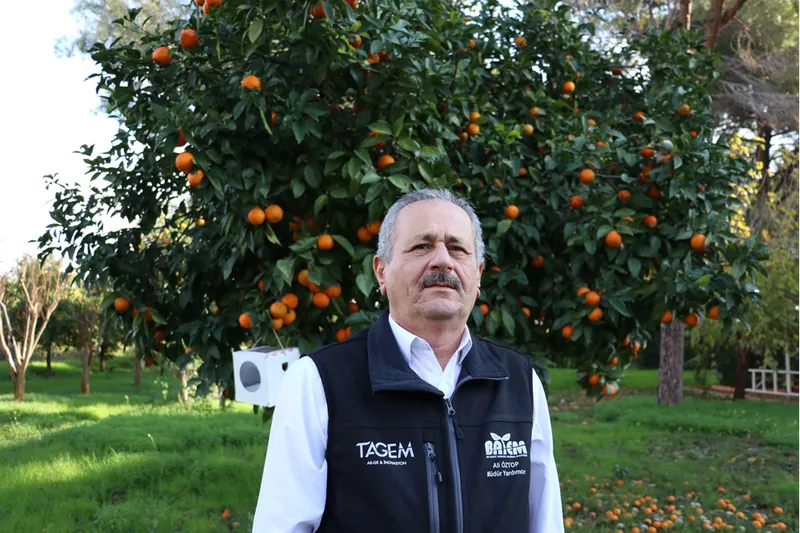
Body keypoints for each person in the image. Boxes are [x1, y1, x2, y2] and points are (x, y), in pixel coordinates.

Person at [252, 188, 564, 533]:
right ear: (381, 271)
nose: (443, 260)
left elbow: (545, 520)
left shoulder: (519, 381)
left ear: (477, 276)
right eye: (422, 246)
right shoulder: (318, 381)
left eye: (457, 248)